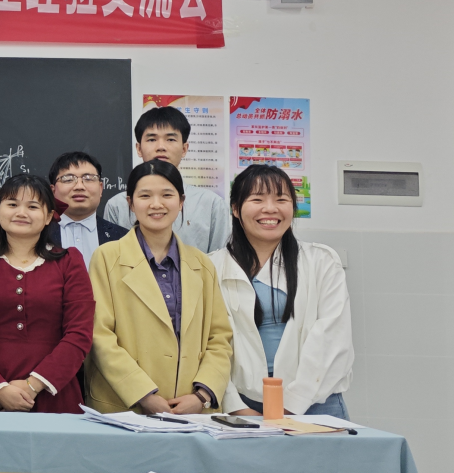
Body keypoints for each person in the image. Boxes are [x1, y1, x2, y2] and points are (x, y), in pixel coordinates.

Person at [86, 160, 232, 415]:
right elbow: (99, 335)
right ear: (131, 203)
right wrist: (142, 393)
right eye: (145, 196)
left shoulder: (202, 264)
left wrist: (202, 396)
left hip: (190, 410)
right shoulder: (107, 258)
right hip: (125, 408)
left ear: (181, 201)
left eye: (167, 195)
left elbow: (219, 338)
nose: (156, 204)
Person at [211, 165, 354, 418]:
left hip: (315, 403)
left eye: (281, 199)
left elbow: (332, 337)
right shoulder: (211, 266)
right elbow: (208, 343)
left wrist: (292, 406)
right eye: (257, 199)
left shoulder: (321, 261)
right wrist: (235, 405)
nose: (270, 208)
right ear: (235, 208)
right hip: (241, 405)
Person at [0, 176, 95, 413]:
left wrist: (33, 385)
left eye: (33, 206)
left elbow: (79, 333)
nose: (21, 212)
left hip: (54, 394)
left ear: (48, 216)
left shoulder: (69, 261)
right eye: (12, 204)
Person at [103, 106, 231, 253]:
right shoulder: (117, 206)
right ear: (138, 148)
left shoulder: (212, 204)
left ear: (184, 149)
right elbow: (111, 259)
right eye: (152, 139)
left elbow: (219, 262)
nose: (161, 147)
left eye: (170, 139)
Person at [47, 151, 127, 268]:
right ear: (53, 190)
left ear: (100, 188)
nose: (79, 186)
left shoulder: (123, 238)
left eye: (88, 178)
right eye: (68, 179)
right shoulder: (37, 234)